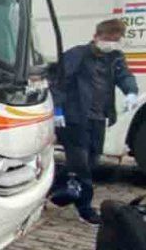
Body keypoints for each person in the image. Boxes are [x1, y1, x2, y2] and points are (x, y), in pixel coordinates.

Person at [50, 18, 139, 225]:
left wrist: (131, 92)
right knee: (81, 163)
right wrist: (58, 109)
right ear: (97, 36)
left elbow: (124, 76)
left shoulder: (115, 57)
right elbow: (59, 81)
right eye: (108, 38)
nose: (112, 43)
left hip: (98, 118)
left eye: (116, 39)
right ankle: (85, 208)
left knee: (91, 160)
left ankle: (54, 189)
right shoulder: (77, 55)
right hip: (74, 117)